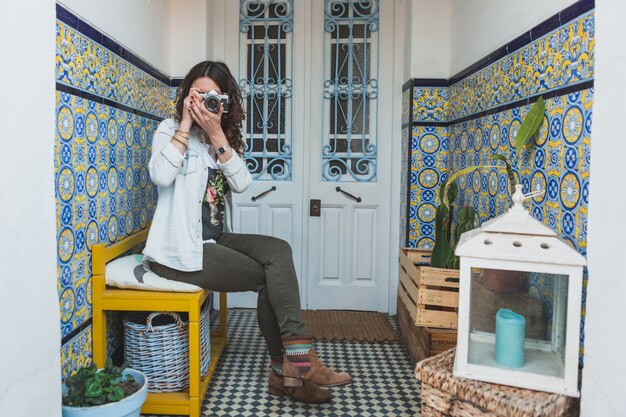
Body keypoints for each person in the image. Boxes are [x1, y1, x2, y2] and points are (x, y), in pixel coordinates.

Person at [143, 61, 352, 403]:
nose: (203, 102)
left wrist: (216, 135)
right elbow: (161, 177)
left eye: (212, 96)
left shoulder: (219, 140)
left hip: (214, 240)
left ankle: (292, 365)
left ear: (223, 101)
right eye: (197, 94)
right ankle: (292, 368)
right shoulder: (169, 129)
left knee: (278, 250)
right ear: (186, 96)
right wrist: (185, 122)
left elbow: (241, 183)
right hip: (179, 250)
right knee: (270, 278)